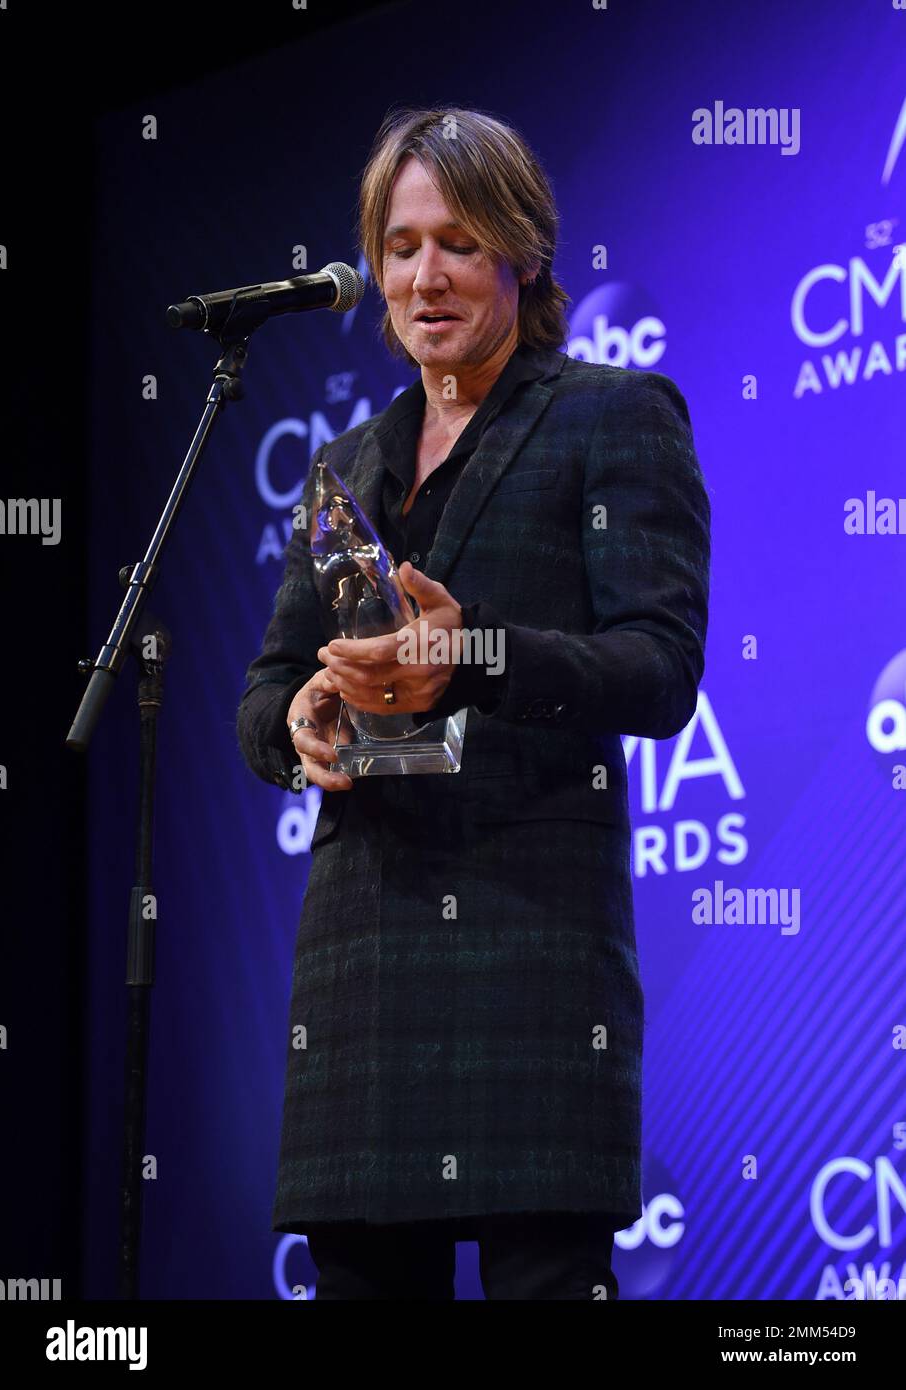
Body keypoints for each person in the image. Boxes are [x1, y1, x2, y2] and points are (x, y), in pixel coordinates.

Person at [236, 106, 711, 1300]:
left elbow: (659, 667)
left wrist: (478, 655)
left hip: (530, 957)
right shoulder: (345, 465)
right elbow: (264, 693)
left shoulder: (611, 413)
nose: (423, 276)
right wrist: (302, 721)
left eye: (457, 240)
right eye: (399, 246)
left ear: (524, 252)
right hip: (363, 969)